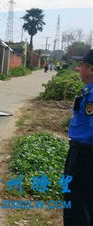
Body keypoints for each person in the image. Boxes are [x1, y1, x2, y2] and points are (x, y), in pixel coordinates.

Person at [63, 49, 93, 226]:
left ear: (91, 70)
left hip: (84, 155)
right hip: (83, 152)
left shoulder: (91, 95)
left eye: (82, 65)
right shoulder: (88, 91)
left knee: (76, 200)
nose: (79, 69)